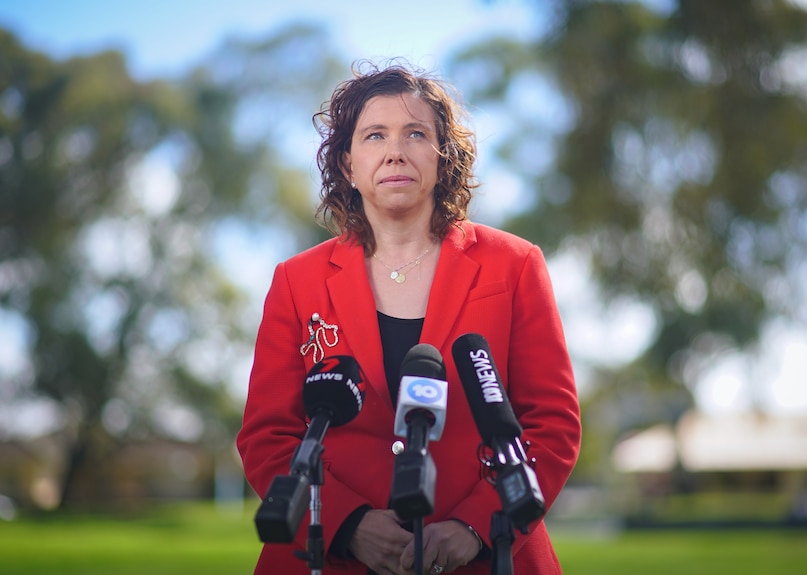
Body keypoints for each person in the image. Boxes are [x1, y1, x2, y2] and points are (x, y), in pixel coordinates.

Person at [237, 60, 581, 575]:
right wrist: (349, 524)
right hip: (329, 558)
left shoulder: (514, 265)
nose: (395, 150)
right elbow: (268, 436)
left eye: (415, 133)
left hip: (488, 556)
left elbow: (551, 426)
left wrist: (473, 527)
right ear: (348, 164)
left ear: (443, 156)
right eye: (374, 135)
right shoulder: (296, 280)